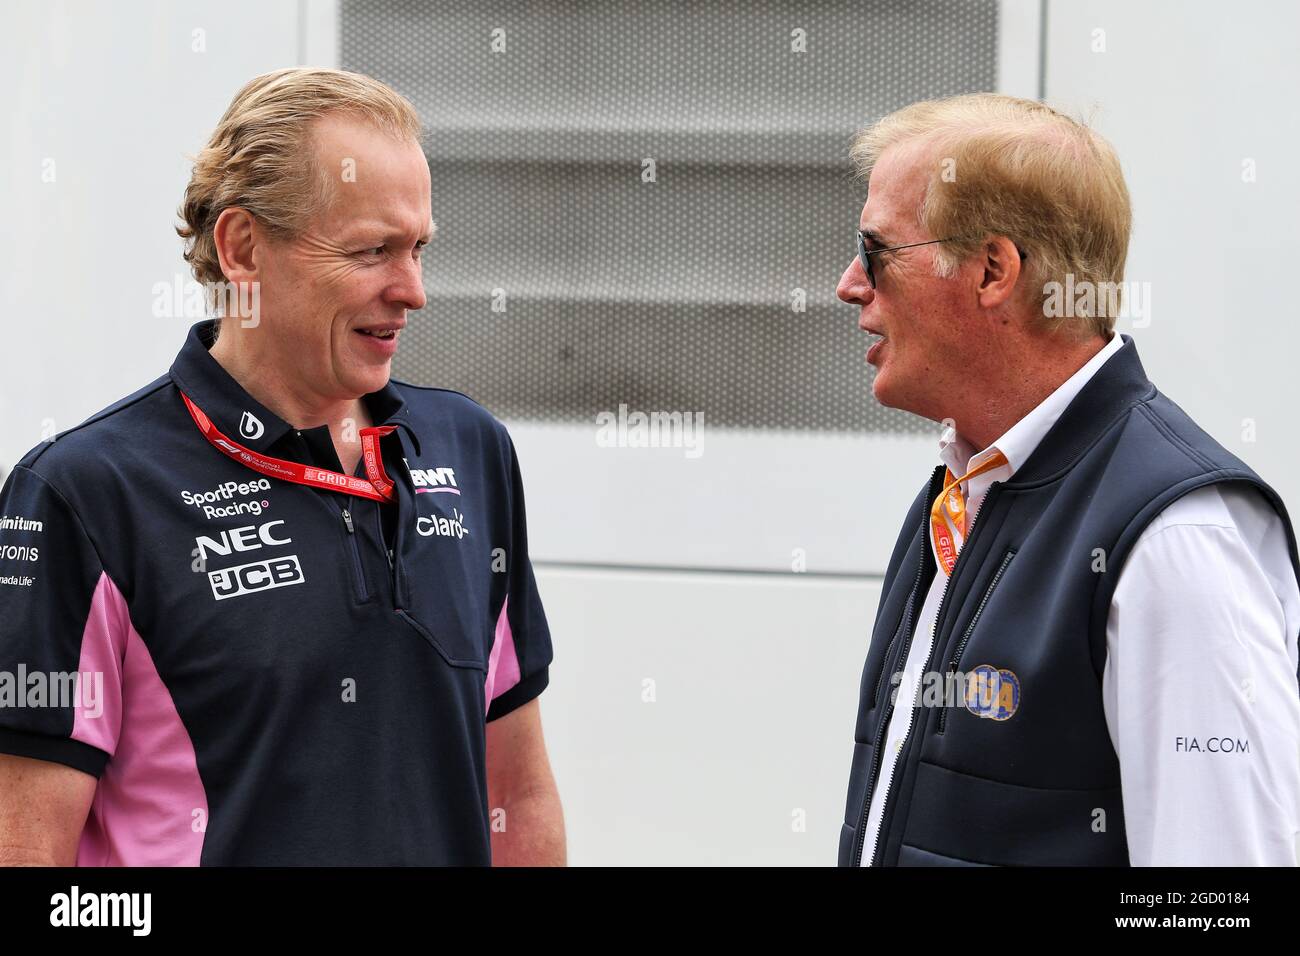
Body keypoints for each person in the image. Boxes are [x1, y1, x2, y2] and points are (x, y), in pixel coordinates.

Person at [0, 68, 563, 866]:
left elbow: (518, 795)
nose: (414, 291)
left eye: (418, 249)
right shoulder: (83, 493)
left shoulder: (471, 451)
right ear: (241, 248)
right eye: (372, 250)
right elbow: (26, 850)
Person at [834, 93, 1300, 866]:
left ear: (992, 271)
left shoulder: (1175, 539)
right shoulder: (964, 490)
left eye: (876, 251)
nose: (851, 284)